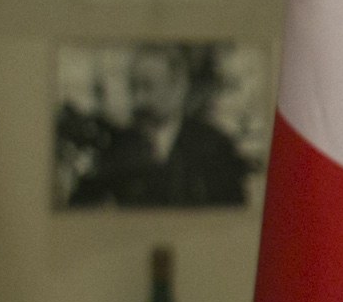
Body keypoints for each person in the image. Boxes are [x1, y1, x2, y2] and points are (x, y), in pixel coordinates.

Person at [65, 46, 249, 208]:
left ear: (178, 88)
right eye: (133, 87)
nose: (138, 100)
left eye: (148, 87)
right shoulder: (116, 147)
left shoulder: (215, 147)